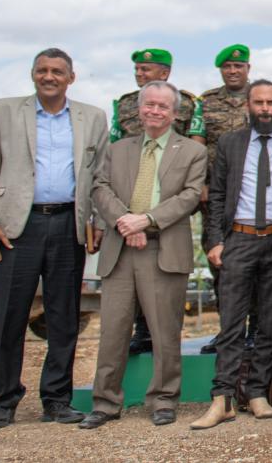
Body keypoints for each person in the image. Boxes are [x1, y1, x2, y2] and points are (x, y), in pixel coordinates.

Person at [0, 48, 109, 430]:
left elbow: (100, 175)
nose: (49, 77)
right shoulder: (4, 111)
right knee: (9, 317)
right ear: (33, 74)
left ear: (71, 78)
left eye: (57, 71)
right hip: (16, 228)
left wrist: (98, 221)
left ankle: (57, 400)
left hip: (68, 226)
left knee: (63, 318)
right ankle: (2, 402)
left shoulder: (92, 118)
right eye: (42, 70)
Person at [81, 81, 206, 429]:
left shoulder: (192, 152)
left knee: (165, 332)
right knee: (114, 331)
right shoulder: (117, 149)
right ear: (139, 109)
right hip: (121, 249)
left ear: (175, 113)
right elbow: (99, 187)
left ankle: (164, 400)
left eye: (163, 106)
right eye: (149, 104)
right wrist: (125, 222)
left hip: (163, 249)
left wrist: (147, 220)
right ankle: (105, 402)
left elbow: (190, 196)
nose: (155, 111)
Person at [191, 80, 272, 429]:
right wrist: (214, 241)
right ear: (247, 106)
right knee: (232, 323)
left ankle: (257, 393)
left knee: (268, 322)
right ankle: (222, 397)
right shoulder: (230, 143)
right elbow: (217, 195)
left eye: (271, 103)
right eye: (259, 103)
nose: (265, 109)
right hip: (238, 238)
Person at [110, 48, 203, 358]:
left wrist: (149, 218)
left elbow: (195, 145)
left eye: (146, 69)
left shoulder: (188, 103)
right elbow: (112, 155)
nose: (140, 74)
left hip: (171, 198)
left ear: (165, 73)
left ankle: (159, 348)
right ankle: (142, 331)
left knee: (165, 288)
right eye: (137, 69)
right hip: (128, 202)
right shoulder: (124, 104)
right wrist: (127, 219)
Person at [197, 44, 254, 354]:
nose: (233, 70)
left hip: (254, 197)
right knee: (220, 264)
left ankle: (256, 329)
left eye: (238, 66)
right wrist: (200, 184)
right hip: (216, 198)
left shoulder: (261, 99)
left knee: (259, 268)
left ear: (248, 68)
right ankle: (228, 330)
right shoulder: (205, 103)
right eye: (228, 66)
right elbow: (197, 145)